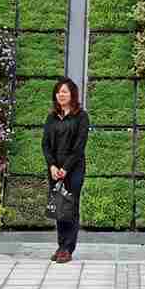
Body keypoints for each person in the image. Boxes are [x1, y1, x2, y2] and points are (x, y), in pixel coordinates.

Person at [41, 77, 88, 264]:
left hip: (74, 169)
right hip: (55, 169)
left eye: (65, 91)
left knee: (71, 206)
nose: (61, 94)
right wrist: (52, 166)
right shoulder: (51, 117)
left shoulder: (81, 116)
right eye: (59, 92)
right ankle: (61, 245)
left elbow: (79, 147)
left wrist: (65, 169)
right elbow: (45, 144)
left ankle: (68, 248)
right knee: (60, 207)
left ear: (72, 94)